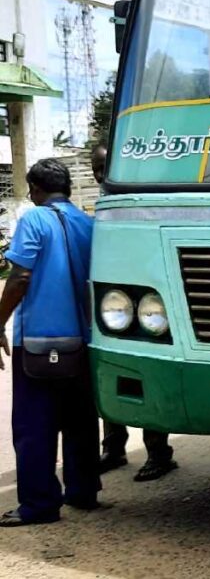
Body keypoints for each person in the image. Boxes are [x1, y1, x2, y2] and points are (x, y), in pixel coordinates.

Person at [0, 159, 100, 526]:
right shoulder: (88, 223)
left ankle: (39, 505)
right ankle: (83, 490)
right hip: (85, 341)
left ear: (34, 189)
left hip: (41, 342)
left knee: (34, 425)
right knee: (80, 419)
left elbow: (20, 275)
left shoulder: (34, 219)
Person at [90, 145, 177, 482]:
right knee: (114, 376)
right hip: (115, 301)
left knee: (145, 379)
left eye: (104, 166)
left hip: (145, 297)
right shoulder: (100, 199)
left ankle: (159, 453)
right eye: (96, 167)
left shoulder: (137, 193)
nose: (100, 173)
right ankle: (113, 449)